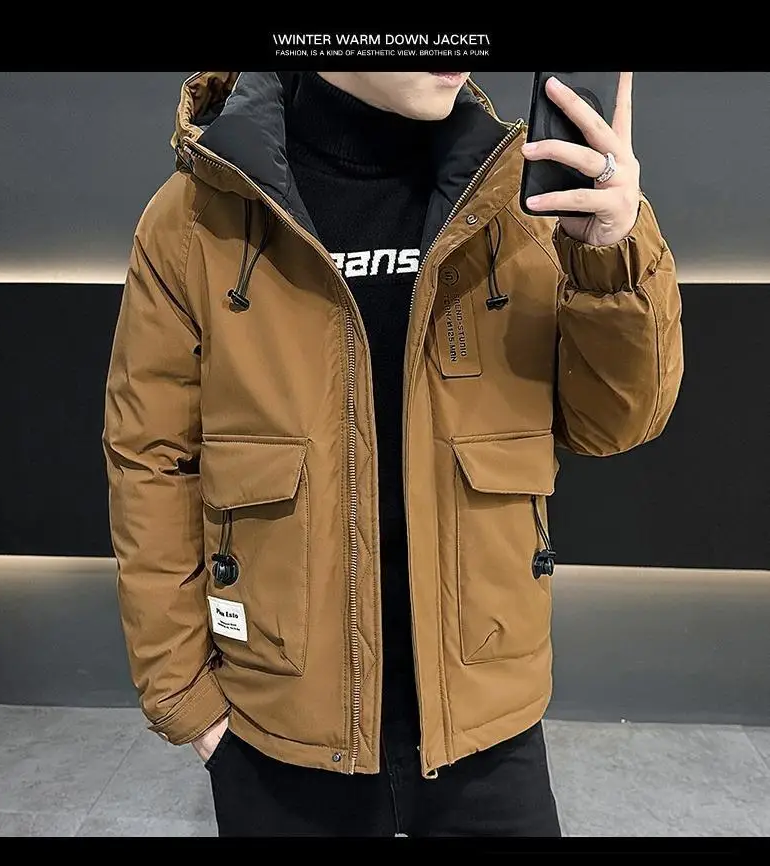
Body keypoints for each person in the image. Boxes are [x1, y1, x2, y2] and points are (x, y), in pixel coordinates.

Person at [103, 71, 683, 837]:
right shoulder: (197, 216)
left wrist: (612, 254)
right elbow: (150, 462)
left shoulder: (516, 199)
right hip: (280, 726)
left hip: (487, 720)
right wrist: (187, 699)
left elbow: (616, 422)